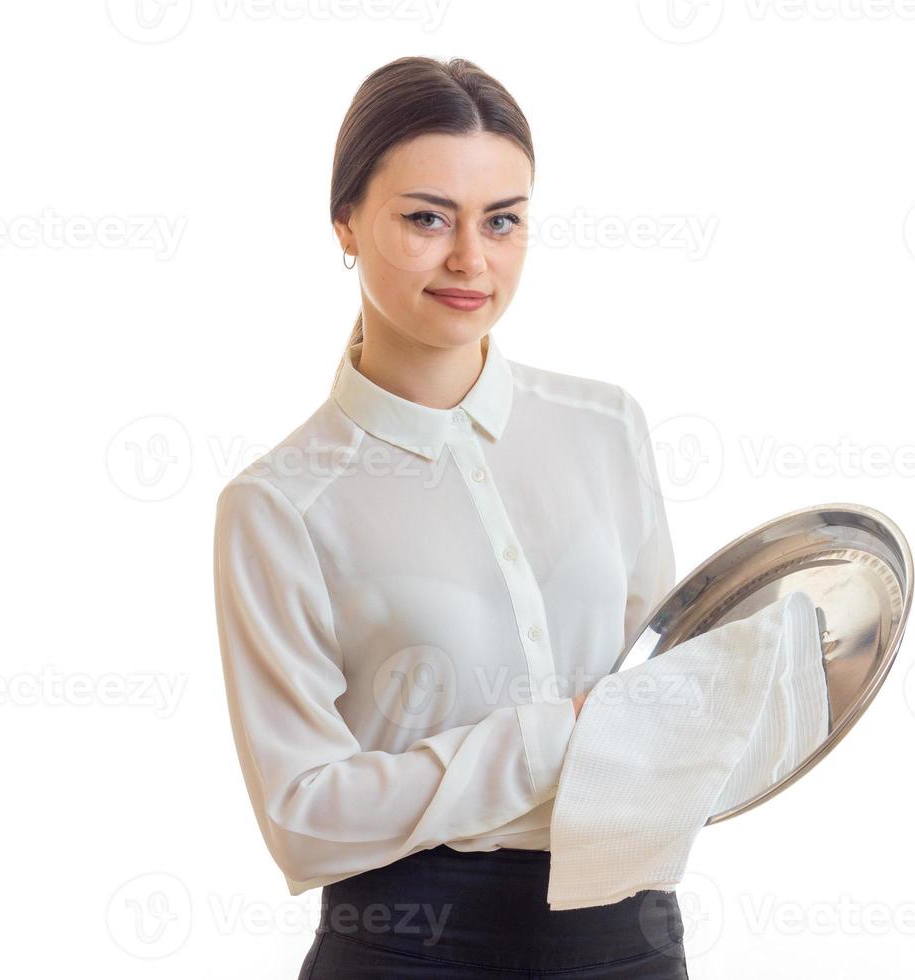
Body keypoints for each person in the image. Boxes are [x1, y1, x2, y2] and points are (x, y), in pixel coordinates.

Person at [213, 55, 688, 978]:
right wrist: (557, 740)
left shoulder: (606, 428)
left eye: (502, 221)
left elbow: (661, 690)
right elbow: (301, 817)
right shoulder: (280, 503)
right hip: (406, 943)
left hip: (626, 934)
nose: (471, 259)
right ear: (346, 221)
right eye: (427, 218)